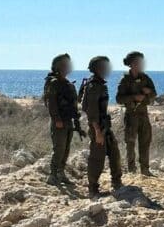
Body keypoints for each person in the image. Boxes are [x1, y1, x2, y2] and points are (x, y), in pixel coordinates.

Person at [81, 55, 123, 198]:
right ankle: (93, 189)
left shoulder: (99, 84)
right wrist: (98, 131)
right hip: (97, 127)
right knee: (97, 158)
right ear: (99, 68)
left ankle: (117, 181)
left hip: (104, 127)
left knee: (114, 152)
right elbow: (91, 111)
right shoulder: (93, 86)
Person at [116, 51, 157, 176]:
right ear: (132, 64)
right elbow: (119, 99)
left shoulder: (145, 78)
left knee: (145, 141)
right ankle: (131, 169)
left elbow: (154, 93)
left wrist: (148, 91)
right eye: (138, 62)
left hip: (143, 114)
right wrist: (134, 97)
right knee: (130, 142)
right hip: (131, 114)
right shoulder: (124, 80)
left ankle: (145, 169)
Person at [43, 53, 80, 187]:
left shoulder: (68, 84)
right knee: (59, 148)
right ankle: (52, 175)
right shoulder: (54, 84)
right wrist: (57, 118)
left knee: (66, 149)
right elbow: (51, 103)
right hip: (59, 121)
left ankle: (61, 173)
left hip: (68, 120)